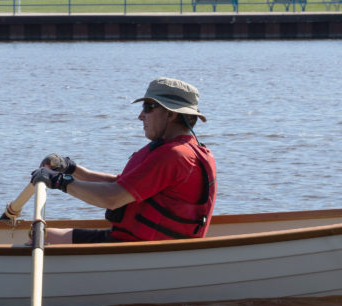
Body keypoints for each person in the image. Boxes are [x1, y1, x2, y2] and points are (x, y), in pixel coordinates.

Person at [30, 77, 215, 245]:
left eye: (148, 107)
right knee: (40, 235)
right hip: (130, 240)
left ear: (171, 114)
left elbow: (113, 197)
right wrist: (71, 169)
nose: (141, 115)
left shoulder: (175, 155)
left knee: (40, 239)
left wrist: (58, 181)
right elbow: (120, 184)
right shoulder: (178, 150)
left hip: (142, 248)